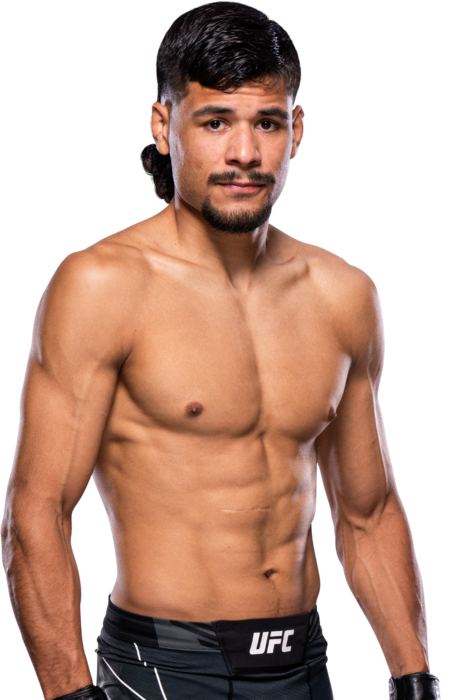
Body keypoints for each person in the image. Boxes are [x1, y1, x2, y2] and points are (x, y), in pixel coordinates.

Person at [0, 3, 440, 699]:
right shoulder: (102, 286)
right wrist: (71, 693)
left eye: (266, 122)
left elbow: (369, 510)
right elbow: (38, 511)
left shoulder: (342, 293)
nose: (244, 153)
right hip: (163, 668)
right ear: (162, 126)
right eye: (214, 123)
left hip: (304, 663)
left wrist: (414, 678)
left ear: (296, 130)